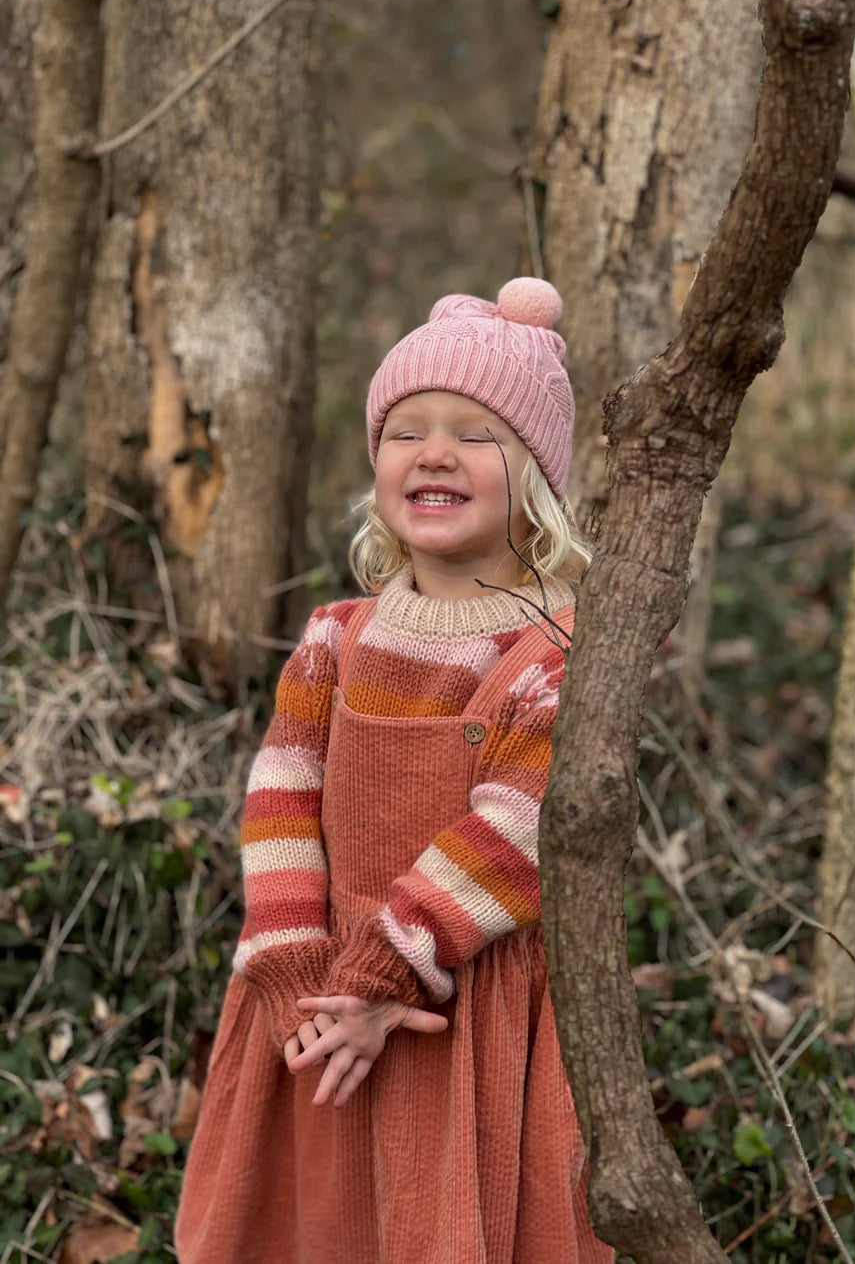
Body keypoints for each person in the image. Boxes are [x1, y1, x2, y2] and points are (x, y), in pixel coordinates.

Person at [174, 278, 614, 1263]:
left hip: (454, 991)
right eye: (406, 430)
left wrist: (386, 972)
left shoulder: (553, 651)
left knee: (436, 1220)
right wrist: (296, 966)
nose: (435, 452)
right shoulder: (339, 635)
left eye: (473, 431)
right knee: (315, 1220)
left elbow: (516, 829)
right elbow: (282, 793)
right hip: (319, 994)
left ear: (536, 475)